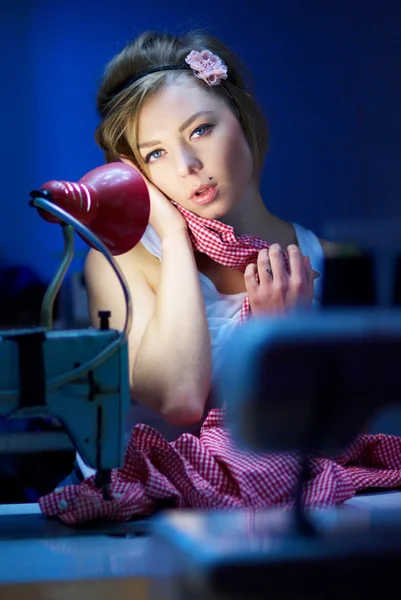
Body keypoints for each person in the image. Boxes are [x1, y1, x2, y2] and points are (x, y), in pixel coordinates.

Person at [66, 30, 331, 483]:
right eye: (157, 154)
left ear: (242, 117)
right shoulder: (118, 261)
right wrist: (171, 235)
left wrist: (281, 337)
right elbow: (181, 398)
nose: (187, 164)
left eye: (201, 129)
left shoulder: (315, 257)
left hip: (258, 504)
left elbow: (313, 438)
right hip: (136, 516)